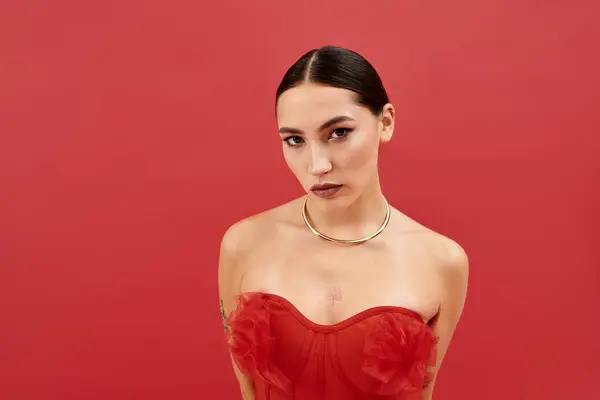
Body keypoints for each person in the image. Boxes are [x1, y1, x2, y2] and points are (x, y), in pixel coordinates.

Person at [217, 45, 469, 400]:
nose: (317, 165)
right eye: (295, 140)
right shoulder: (243, 244)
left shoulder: (441, 261)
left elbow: (422, 391)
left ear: (385, 122)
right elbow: (248, 390)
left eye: (338, 133)